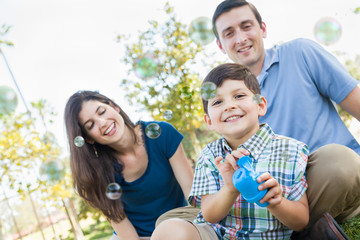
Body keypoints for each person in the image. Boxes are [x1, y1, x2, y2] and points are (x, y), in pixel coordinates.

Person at [211, 0, 360, 226]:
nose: (240, 39)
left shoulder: (301, 52)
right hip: (279, 195)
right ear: (221, 45)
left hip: (331, 175)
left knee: (340, 162)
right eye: (229, 33)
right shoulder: (226, 101)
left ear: (263, 28)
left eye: (246, 26)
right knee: (181, 217)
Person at [151, 63, 309, 240]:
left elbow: (301, 220)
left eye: (239, 96)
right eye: (218, 102)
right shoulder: (210, 156)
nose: (229, 106)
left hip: (269, 237)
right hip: (218, 236)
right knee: (169, 230)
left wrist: (275, 202)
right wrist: (229, 189)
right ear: (209, 121)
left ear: (261, 105)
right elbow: (209, 215)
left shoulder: (291, 149)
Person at [64, 90, 194, 240]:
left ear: (114, 106)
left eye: (102, 112)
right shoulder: (98, 172)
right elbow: (123, 227)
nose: (102, 123)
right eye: (91, 125)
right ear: (88, 139)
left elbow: (192, 195)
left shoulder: (163, 134)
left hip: (178, 225)